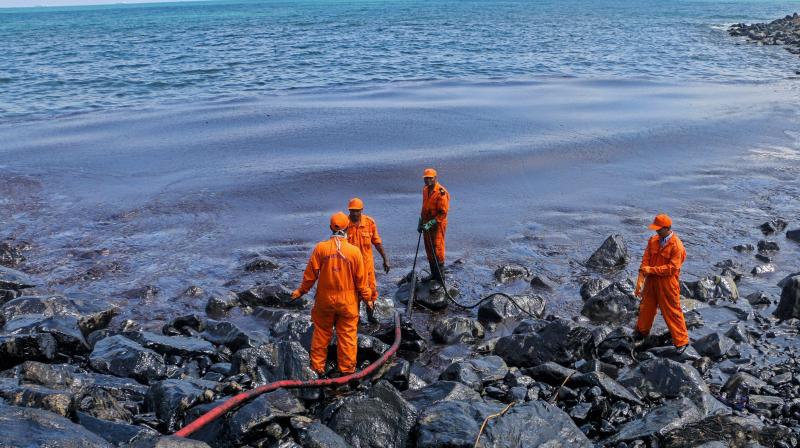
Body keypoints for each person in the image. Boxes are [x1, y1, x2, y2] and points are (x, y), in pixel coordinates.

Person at [291, 212, 371, 376]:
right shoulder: (354, 252)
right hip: (347, 303)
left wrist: (301, 291)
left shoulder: (321, 248)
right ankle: (347, 371)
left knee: (321, 332)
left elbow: (310, 276)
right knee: (347, 335)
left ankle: (317, 368)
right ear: (347, 227)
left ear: (330, 228)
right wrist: (368, 298)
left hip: (324, 301)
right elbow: (362, 281)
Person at [634, 213, 690, 352]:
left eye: (659, 229)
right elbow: (646, 257)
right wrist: (645, 269)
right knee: (646, 307)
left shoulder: (677, 246)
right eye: (656, 228)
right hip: (651, 281)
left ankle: (681, 342)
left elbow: (672, 268)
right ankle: (641, 332)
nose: (656, 231)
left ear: (667, 228)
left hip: (667, 283)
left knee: (672, 311)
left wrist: (650, 269)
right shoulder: (653, 240)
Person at [345, 198, 390, 323]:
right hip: (351, 267)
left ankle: (370, 316)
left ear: (362, 210)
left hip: (367, 266)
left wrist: (385, 259)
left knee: (371, 291)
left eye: (357, 211)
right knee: (354, 293)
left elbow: (377, 242)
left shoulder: (370, 223)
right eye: (352, 211)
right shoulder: (344, 224)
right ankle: (356, 318)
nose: (354, 214)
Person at [418, 168, 450, 282]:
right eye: (426, 178)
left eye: (430, 178)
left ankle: (440, 279)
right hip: (426, 224)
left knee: (438, 249)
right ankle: (433, 274)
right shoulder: (425, 190)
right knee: (429, 249)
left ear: (435, 178)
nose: (427, 180)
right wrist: (420, 221)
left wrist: (431, 223)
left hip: (437, 225)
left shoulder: (441, 193)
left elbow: (443, 213)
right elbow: (424, 207)